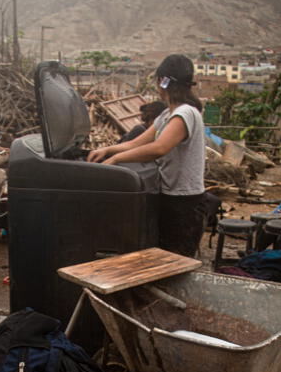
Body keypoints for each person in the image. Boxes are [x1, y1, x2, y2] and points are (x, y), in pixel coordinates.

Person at [87, 55, 208, 257]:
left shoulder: (185, 113)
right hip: (171, 197)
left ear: (163, 81)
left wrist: (117, 160)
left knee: (177, 262)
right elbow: (137, 142)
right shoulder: (166, 115)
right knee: (166, 258)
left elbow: (159, 148)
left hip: (185, 203)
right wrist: (108, 150)